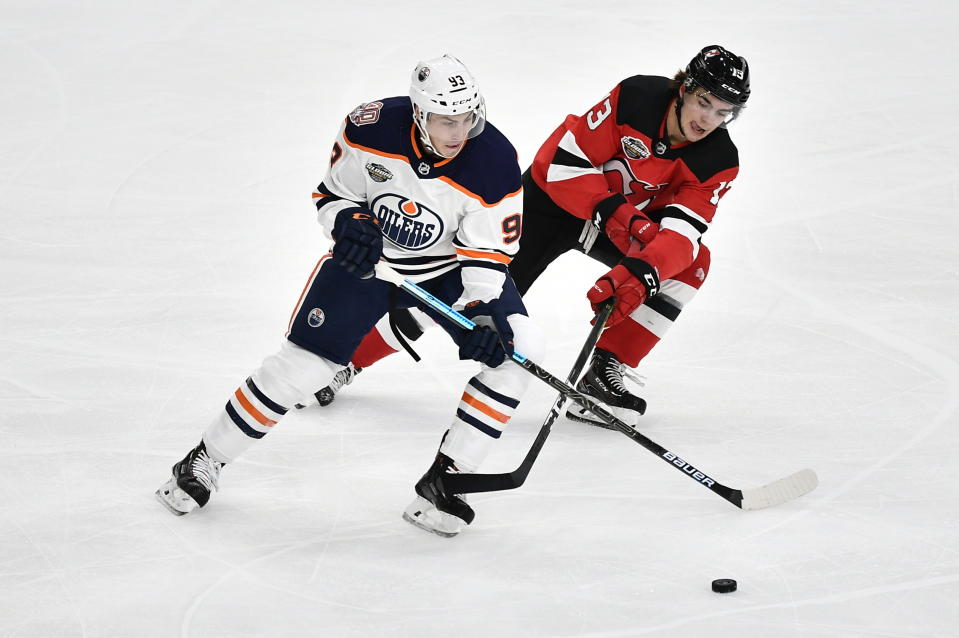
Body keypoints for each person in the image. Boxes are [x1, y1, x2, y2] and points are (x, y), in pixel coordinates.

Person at [155, 54, 544, 538]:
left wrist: (480, 311)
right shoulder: (370, 128)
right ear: (420, 113)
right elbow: (331, 196)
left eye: (466, 118)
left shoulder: (494, 161)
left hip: (447, 271)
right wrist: (348, 222)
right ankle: (204, 459)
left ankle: (449, 479)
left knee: (518, 350)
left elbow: (487, 255)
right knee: (302, 367)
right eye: (446, 119)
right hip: (371, 263)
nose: (458, 131)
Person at [304, 45, 750, 431]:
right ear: (685, 89)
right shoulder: (636, 97)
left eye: (723, 112)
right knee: (452, 291)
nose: (709, 120)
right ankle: (347, 360)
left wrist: (641, 274)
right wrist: (626, 220)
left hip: (623, 227)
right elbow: (558, 167)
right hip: (549, 209)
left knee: (690, 265)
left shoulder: (718, 159)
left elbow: (682, 237)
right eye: (705, 102)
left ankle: (604, 372)